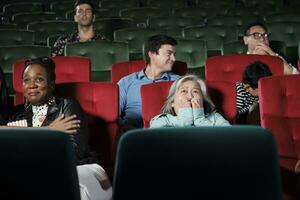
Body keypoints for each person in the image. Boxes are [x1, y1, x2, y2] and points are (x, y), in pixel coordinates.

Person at [7, 57, 112, 200]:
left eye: (39, 79)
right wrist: (50, 131)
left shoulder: (67, 106)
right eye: (26, 80)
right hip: (35, 173)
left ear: (51, 84)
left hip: (80, 169)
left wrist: (31, 153)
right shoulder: (16, 115)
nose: (32, 85)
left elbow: (75, 151)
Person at [118, 34, 181, 129]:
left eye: (174, 55)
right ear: (152, 54)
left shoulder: (179, 82)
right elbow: (114, 115)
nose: (174, 59)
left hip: (168, 133)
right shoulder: (126, 82)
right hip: (134, 133)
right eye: (169, 53)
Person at [150, 75, 230, 128]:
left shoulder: (215, 118)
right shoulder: (162, 120)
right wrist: (185, 119)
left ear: (203, 100)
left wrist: (200, 120)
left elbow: (230, 139)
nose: (190, 97)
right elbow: (156, 141)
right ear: (172, 102)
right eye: (184, 91)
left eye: (195, 91)